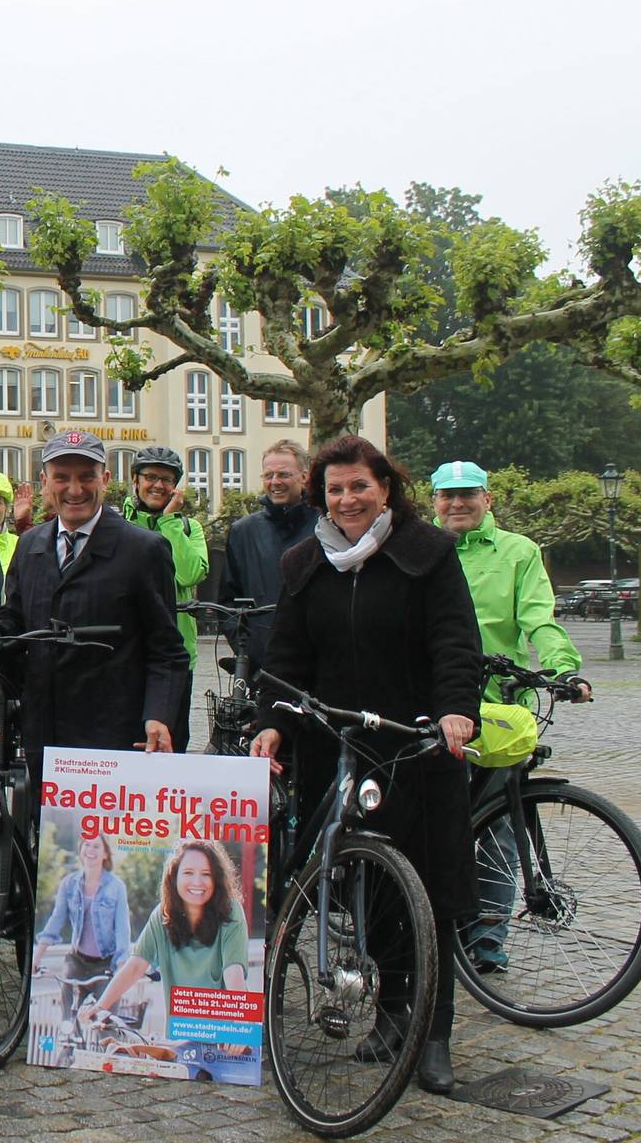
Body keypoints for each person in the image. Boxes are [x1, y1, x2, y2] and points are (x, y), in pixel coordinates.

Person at [251, 434, 482, 1096]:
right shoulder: (305, 562)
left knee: (430, 892)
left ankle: (432, 1034)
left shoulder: (427, 553)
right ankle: (390, 1014)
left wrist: (456, 710)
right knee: (368, 892)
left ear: (385, 486)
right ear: (319, 496)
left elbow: (455, 641)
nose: (348, 499)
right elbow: (287, 659)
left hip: (416, 743)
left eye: (359, 486)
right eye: (335, 489)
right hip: (338, 743)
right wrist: (272, 723)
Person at [430, 459, 587, 974]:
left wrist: (563, 668)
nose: (457, 504)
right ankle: (427, 926)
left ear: (488, 499)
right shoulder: (421, 552)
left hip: (497, 710)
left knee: (497, 829)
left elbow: (538, 617)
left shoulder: (519, 552)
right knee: (433, 822)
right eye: (447, 496)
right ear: (433, 502)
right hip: (431, 706)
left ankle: (487, 938)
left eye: (468, 494)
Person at [0, 431, 187, 773]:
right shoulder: (31, 545)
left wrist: (158, 715)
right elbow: (15, 621)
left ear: (106, 479)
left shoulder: (143, 549)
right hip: (44, 730)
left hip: (112, 736)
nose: (74, 489)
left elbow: (168, 649)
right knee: (45, 828)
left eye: (86, 477)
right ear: (45, 482)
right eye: (62, 478)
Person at [84, 841, 252, 1040]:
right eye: (188, 872)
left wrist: (241, 1027)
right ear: (174, 876)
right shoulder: (163, 915)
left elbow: (233, 972)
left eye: (206, 874)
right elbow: (136, 965)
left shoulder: (230, 911)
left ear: (217, 879)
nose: (197, 881)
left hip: (225, 1036)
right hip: (180, 1037)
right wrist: (100, 1007)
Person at [120, 446, 211, 751]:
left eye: (167, 479)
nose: (158, 485)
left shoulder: (189, 528)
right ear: (135, 480)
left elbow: (188, 575)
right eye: (151, 477)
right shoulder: (117, 526)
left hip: (175, 657)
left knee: (171, 747)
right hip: (125, 655)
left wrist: (169, 523)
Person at [221, 439, 316, 681]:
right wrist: (247, 651)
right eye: (268, 475)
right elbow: (228, 602)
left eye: (284, 474)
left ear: (304, 477)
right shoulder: (243, 532)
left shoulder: (325, 526)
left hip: (319, 666)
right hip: (263, 667)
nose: (275, 482)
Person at [31, 834, 133, 1001]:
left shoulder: (116, 887)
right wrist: (36, 958)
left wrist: (121, 967)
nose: (90, 850)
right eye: (87, 845)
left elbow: (123, 929)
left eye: (96, 846)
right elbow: (56, 920)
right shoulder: (68, 883)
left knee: (104, 1020)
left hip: (105, 964)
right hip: (77, 960)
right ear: (80, 850)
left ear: (105, 854)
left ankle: (104, 1026)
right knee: (67, 1015)